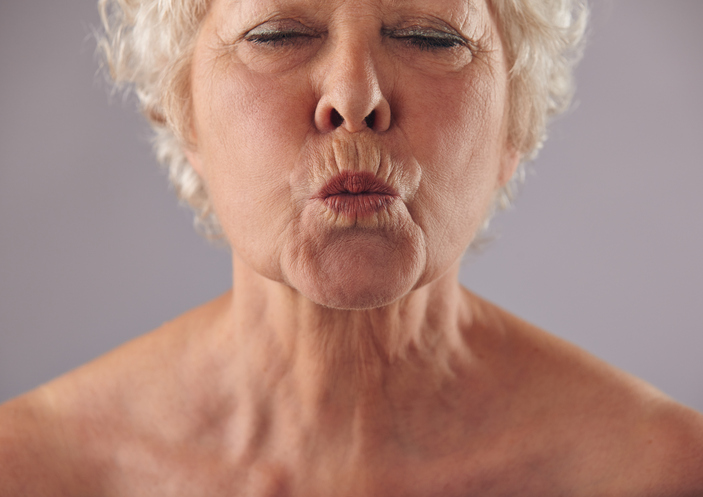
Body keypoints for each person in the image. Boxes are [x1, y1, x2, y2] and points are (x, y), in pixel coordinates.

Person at [1, 0, 702, 495]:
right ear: (182, 110)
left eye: (431, 36)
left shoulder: (663, 474)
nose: (353, 94)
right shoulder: (29, 471)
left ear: (513, 126)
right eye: (277, 33)